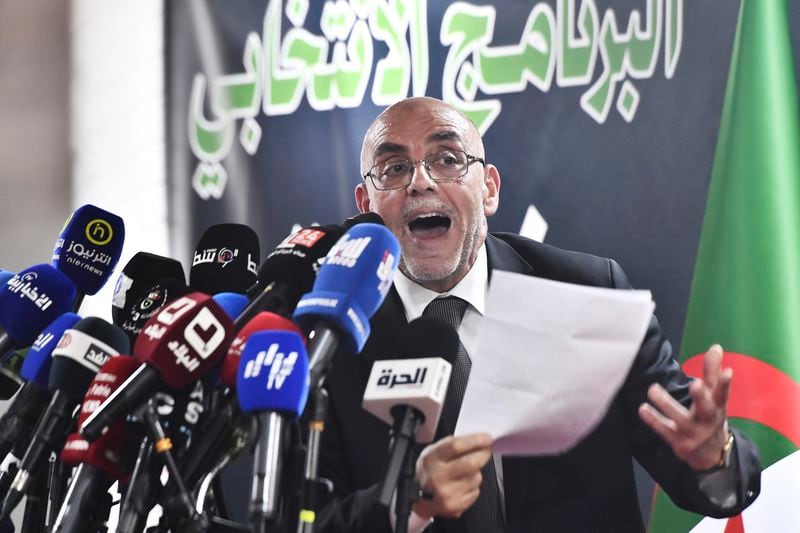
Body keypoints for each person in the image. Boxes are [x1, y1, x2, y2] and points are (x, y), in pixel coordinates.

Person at [315, 97, 760, 532]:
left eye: (447, 159)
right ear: (366, 206)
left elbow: (709, 483)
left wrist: (713, 456)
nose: (420, 182)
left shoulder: (585, 291)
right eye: (394, 169)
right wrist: (403, 505)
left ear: (488, 189)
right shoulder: (327, 340)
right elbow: (306, 520)